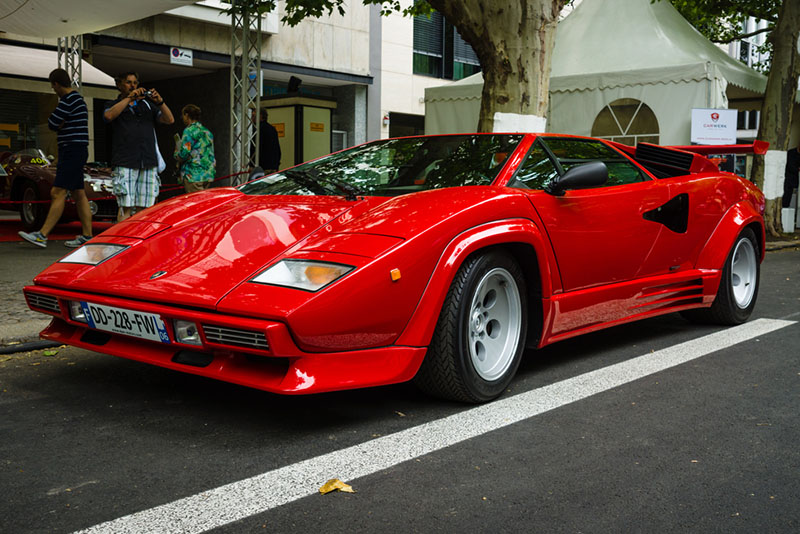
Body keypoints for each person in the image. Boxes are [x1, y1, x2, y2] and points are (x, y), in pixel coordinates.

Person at [19, 68, 93, 248]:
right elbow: (57, 122)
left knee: (57, 192)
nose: (53, 90)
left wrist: (60, 122)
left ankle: (42, 235)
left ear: (57, 84)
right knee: (78, 193)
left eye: (53, 86)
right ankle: (87, 235)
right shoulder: (79, 100)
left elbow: (52, 123)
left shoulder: (67, 101)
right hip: (79, 150)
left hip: (70, 151)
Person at [103, 71, 174, 221]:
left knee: (145, 210)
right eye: (129, 82)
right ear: (119, 85)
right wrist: (129, 98)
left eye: (135, 83)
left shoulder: (146, 105)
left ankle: (140, 241)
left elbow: (169, 120)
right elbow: (108, 116)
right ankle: (122, 240)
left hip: (148, 161)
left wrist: (160, 102)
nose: (133, 86)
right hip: (125, 161)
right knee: (125, 207)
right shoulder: (112, 104)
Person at [174, 104, 216, 193]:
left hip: (193, 175)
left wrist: (176, 153)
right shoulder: (207, 132)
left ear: (186, 115)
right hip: (208, 175)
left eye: (183, 115)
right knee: (204, 203)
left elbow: (184, 154)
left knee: (195, 204)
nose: (182, 118)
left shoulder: (189, 131)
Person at [259, 108, 281, 173]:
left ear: (260, 116)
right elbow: (277, 149)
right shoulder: (272, 129)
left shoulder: (258, 129)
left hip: (263, 166)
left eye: (253, 116)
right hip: (272, 165)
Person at [783, 143, 800, 209]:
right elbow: (790, 166)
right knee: (787, 195)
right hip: (788, 180)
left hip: (795, 180)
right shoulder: (791, 153)